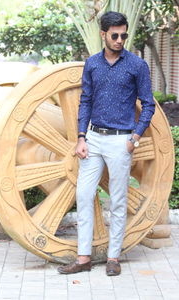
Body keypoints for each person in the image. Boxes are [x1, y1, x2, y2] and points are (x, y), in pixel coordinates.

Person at [58, 11, 155, 276]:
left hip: (121, 142)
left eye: (124, 34)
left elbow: (148, 104)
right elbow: (86, 101)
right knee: (84, 195)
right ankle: (83, 258)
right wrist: (81, 137)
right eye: (115, 35)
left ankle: (113, 258)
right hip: (93, 140)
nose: (121, 39)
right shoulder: (92, 64)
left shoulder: (137, 65)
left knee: (118, 200)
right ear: (103, 34)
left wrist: (134, 138)